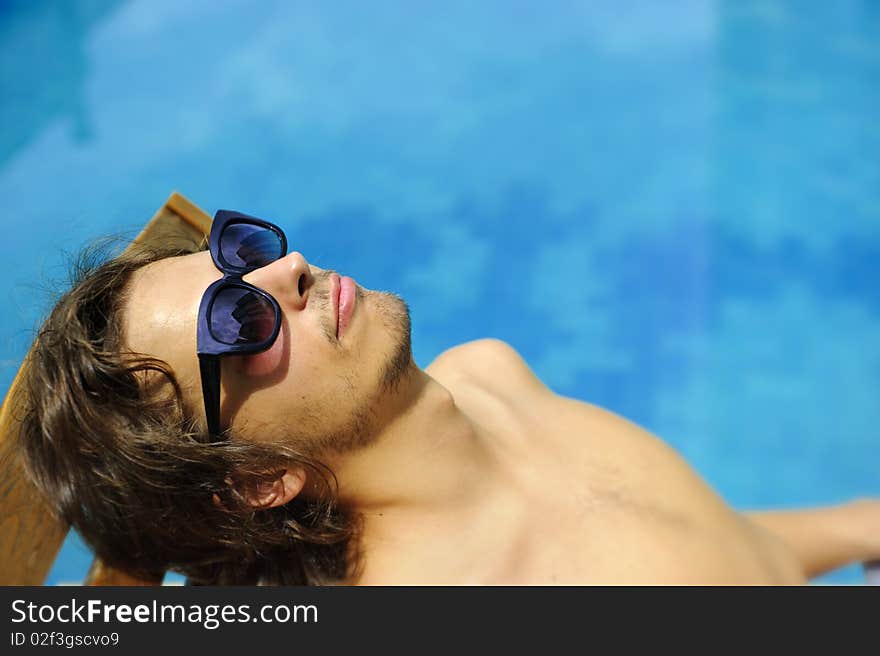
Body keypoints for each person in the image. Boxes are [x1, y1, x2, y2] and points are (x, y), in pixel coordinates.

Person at [14, 210, 880, 585]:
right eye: (239, 316)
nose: (290, 269)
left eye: (245, 254)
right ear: (256, 479)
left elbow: (723, 554)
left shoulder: (491, 377)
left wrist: (855, 522)